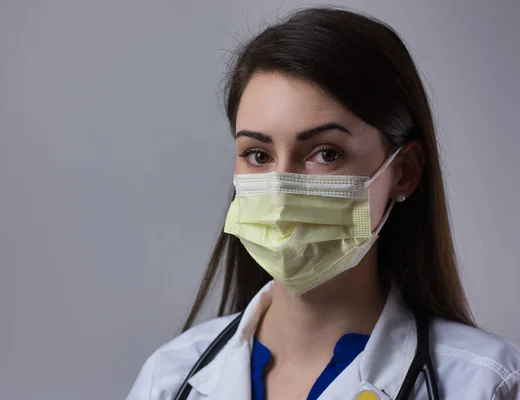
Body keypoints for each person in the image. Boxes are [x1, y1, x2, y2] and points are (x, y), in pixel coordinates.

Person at [126, 7, 520, 400]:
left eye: (325, 153)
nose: (281, 192)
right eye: (259, 155)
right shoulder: (170, 376)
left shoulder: (485, 384)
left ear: (404, 172)